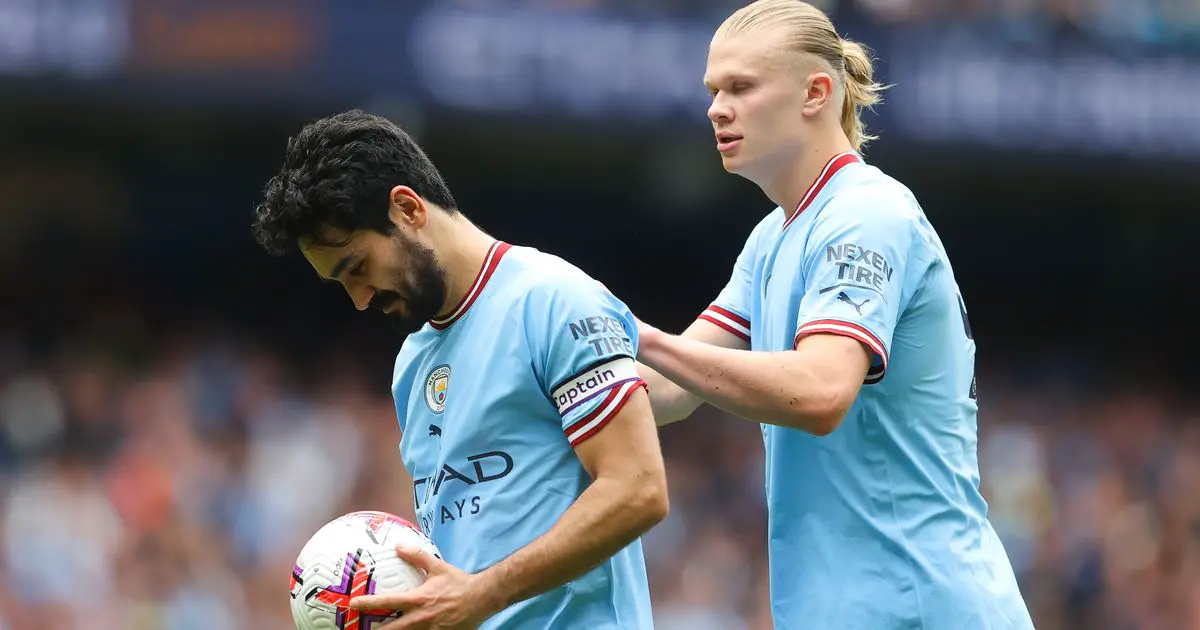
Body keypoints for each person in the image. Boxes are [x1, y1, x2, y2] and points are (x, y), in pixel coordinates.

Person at [634, 1, 1036, 628]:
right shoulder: (772, 238)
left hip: (920, 604)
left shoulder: (867, 213)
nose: (716, 107)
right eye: (714, 90)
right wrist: (540, 367)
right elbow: (665, 391)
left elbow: (820, 391)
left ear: (815, 92)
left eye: (740, 87)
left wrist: (641, 336)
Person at [253, 109, 667, 630]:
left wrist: (481, 595)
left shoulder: (551, 300)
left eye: (357, 267)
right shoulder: (412, 364)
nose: (358, 300)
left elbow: (638, 489)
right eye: (340, 284)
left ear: (406, 208)